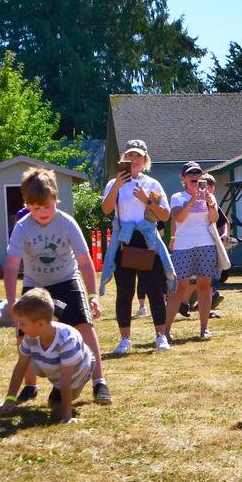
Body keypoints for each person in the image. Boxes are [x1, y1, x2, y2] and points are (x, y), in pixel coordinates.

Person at [2, 167, 111, 407]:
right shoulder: (22, 227)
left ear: (56, 199)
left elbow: (85, 261)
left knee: (84, 326)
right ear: (26, 205)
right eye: (35, 208)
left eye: (47, 206)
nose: (42, 212)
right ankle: (30, 385)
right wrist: (11, 302)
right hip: (35, 285)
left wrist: (93, 295)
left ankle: (99, 381)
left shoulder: (67, 223)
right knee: (24, 332)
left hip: (66, 280)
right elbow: (11, 265)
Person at [100, 141, 175, 353]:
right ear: (123, 158)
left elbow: (165, 215)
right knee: (124, 292)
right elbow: (106, 209)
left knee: (155, 290)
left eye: (138, 156)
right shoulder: (113, 183)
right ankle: (125, 339)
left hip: (147, 240)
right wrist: (117, 185)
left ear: (145, 160)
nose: (133, 160)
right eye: (130, 155)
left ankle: (160, 336)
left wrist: (146, 200)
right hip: (124, 240)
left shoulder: (152, 184)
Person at [0, 288, 95, 423]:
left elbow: (66, 380)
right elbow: (21, 367)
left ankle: (61, 394)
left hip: (77, 373)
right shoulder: (31, 336)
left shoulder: (67, 341)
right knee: (26, 359)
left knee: (56, 403)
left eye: (23, 323)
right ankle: (57, 389)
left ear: (40, 324)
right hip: (57, 368)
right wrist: (10, 400)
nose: (19, 327)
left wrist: (67, 416)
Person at [168, 162, 221, 341]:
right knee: (179, 288)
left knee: (205, 287)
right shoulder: (177, 197)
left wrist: (210, 203)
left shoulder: (209, 196)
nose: (195, 177)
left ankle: (204, 329)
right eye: (190, 174)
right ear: (183, 178)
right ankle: (166, 331)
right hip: (183, 246)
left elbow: (214, 219)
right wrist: (192, 200)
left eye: (198, 174)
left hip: (206, 245)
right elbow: (179, 218)